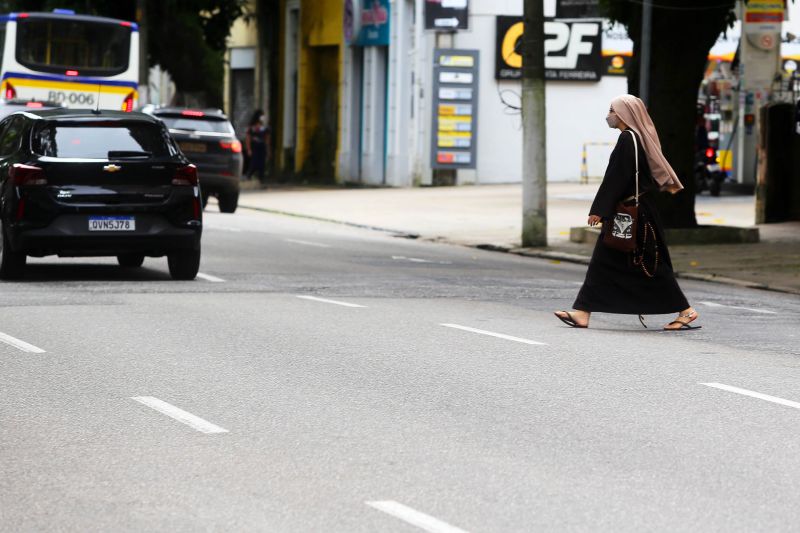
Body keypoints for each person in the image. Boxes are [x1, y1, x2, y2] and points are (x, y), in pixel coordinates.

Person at [555, 94, 701, 331]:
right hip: (637, 210)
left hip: (632, 214)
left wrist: (599, 210)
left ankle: (686, 311)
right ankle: (582, 312)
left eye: (613, 110)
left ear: (625, 114)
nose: (609, 115)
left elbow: (616, 178)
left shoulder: (628, 139)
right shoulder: (637, 138)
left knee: (650, 263)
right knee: (607, 262)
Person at [245, 109, 270, 182]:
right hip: (254, 147)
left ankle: (261, 178)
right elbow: (248, 138)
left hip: (262, 147)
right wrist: (248, 149)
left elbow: (267, 139)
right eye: (262, 115)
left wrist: (268, 150)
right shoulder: (252, 127)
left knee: (262, 163)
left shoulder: (265, 127)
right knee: (254, 162)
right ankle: (249, 175)